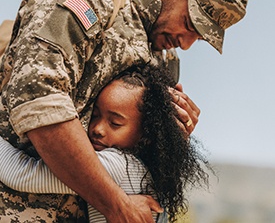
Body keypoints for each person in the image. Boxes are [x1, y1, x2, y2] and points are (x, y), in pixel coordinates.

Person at [0, 0, 248, 221]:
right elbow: (40, 108)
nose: (186, 44)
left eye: (198, 37)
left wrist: (174, 136)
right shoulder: (88, 2)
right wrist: (116, 205)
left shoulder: (165, 60)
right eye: (189, 23)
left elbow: (140, 165)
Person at [0, 64, 211, 223]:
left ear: (145, 134)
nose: (98, 129)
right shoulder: (147, 170)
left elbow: (21, 174)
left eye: (115, 123)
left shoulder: (119, 166)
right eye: (96, 115)